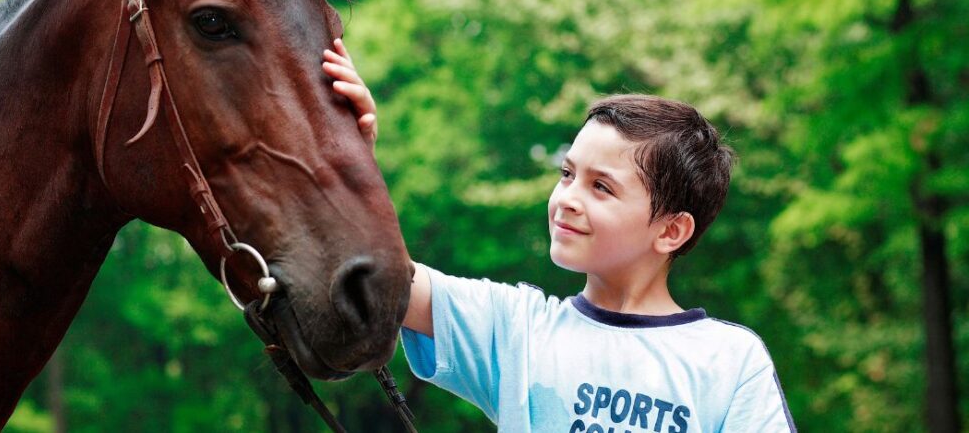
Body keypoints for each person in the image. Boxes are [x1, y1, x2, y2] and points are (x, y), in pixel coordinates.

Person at [322, 39, 795, 433]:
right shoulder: (516, 329)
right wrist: (352, 159)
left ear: (671, 230)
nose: (568, 197)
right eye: (567, 173)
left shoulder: (729, 362)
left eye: (601, 187)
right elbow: (383, 273)